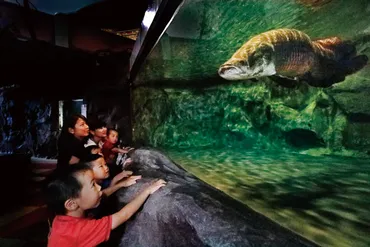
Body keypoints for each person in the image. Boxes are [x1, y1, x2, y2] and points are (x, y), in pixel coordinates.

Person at [46, 164, 166, 247]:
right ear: (71, 204)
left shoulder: (61, 218)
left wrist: (120, 184)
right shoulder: (81, 230)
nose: (99, 188)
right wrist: (148, 190)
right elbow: (124, 215)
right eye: (93, 185)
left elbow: (101, 194)